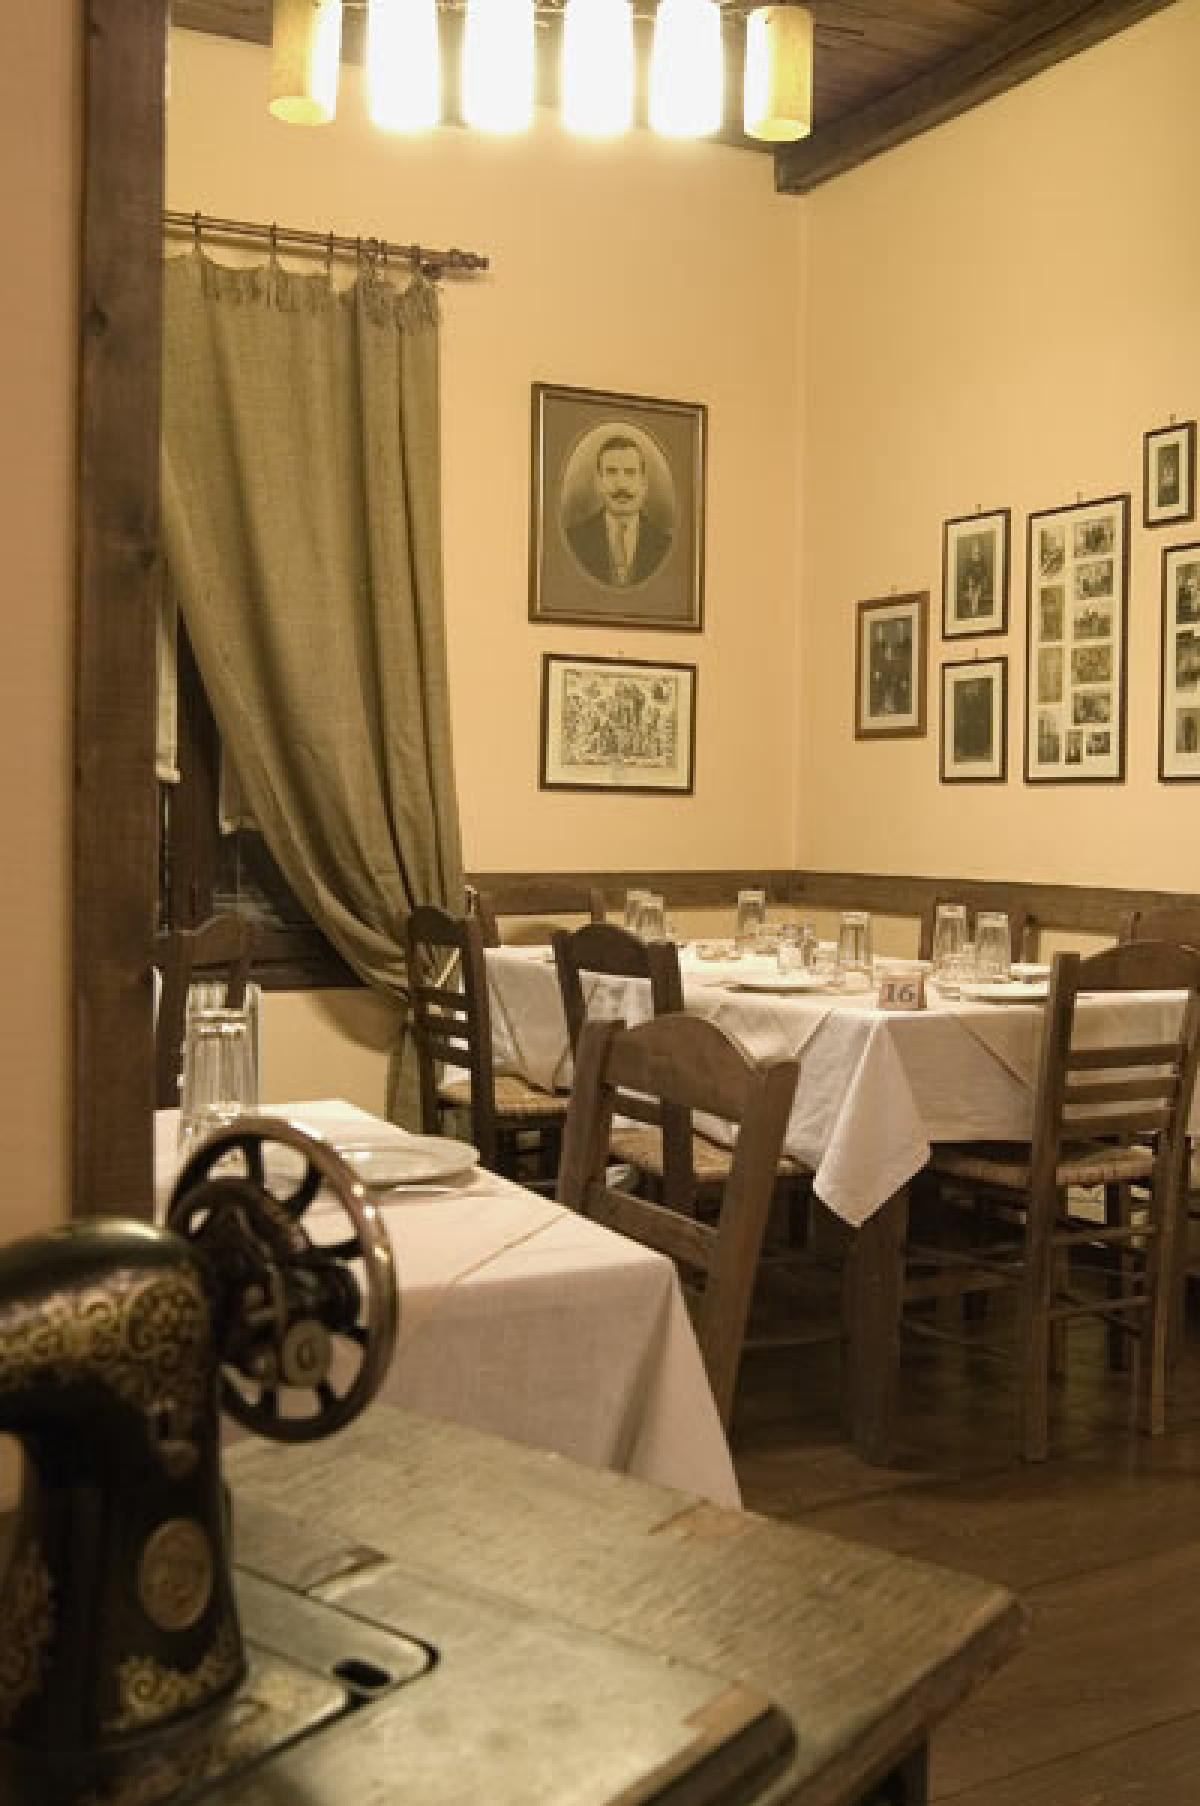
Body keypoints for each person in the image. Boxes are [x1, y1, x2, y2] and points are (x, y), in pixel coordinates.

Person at [566, 435, 672, 587]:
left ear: (643, 483)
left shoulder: (666, 546)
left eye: (630, 472)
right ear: (598, 482)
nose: (621, 484)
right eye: (611, 472)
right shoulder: (573, 541)